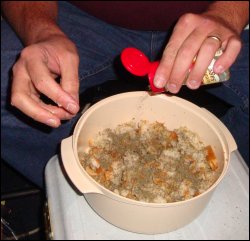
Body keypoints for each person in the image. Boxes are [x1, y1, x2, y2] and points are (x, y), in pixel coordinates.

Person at [1, 1, 249, 188]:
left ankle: (223, 186)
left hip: (216, 21)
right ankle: (74, 183)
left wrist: (229, 14)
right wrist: (43, 33)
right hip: (81, 17)